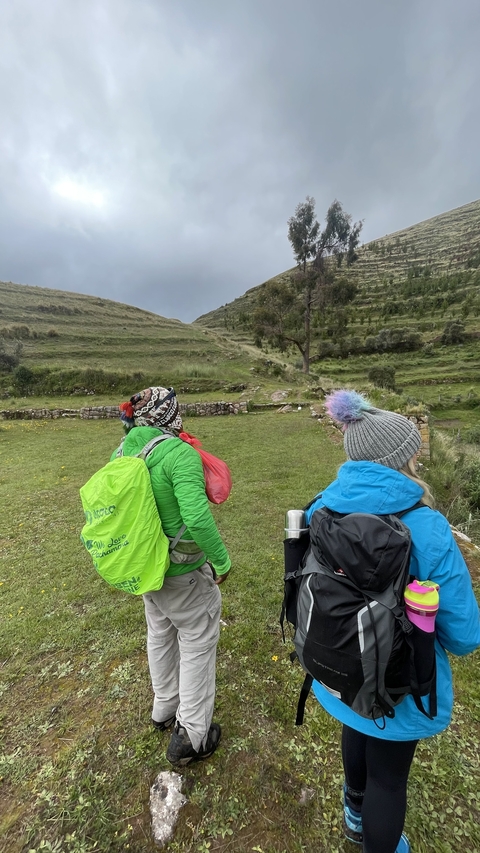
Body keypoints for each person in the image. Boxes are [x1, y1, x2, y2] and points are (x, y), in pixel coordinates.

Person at [304, 389, 480, 853]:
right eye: (412, 453)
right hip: (396, 684)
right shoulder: (427, 527)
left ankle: (353, 812)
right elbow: (464, 636)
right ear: (400, 460)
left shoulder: (321, 508)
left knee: (357, 727)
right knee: (389, 780)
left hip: (340, 669)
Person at [114, 386, 231, 766]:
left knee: (160, 633)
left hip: (146, 569)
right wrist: (222, 561)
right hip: (183, 572)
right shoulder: (179, 454)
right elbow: (196, 516)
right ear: (169, 414)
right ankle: (192, 735)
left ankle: (164, 707)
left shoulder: (122, 452)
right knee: (197, 639)